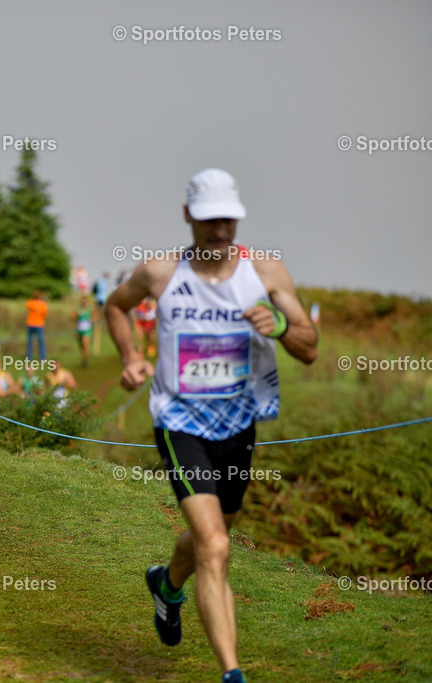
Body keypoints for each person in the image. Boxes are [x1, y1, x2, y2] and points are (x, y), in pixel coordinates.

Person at [104, 168, 318, 683]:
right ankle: (232, 674)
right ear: (188, 217)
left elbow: (310, 349)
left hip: (239, 424)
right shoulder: (161, 272)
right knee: (216, 546)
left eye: (228, 219)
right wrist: (132, 354)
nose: (220, 230)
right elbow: (115, 305)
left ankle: (166, 584)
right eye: (208, 220)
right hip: (179, 422)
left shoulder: (265, 273)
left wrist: (282, 324)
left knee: (214, 535)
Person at [25, 290, 48, 360]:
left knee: (30, 342)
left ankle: (29, 357)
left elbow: (28, 307)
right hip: (38, 325)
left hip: (31, 324)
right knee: (40, 342)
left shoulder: (30, 303)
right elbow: (45, 314)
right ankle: (42, 358)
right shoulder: (42, 304)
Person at [73, 294, 93, 366]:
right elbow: (72, 317)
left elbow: (95, 315)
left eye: (85, 299)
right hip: (79, 330)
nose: (84, 301)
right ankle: (84, 356)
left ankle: (85, 359)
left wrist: (92, 319)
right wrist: (76, 316)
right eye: (83, 299)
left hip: (87, 330)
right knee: (81, 345)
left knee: (85, 343)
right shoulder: (77, 308)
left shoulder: (90, 308)